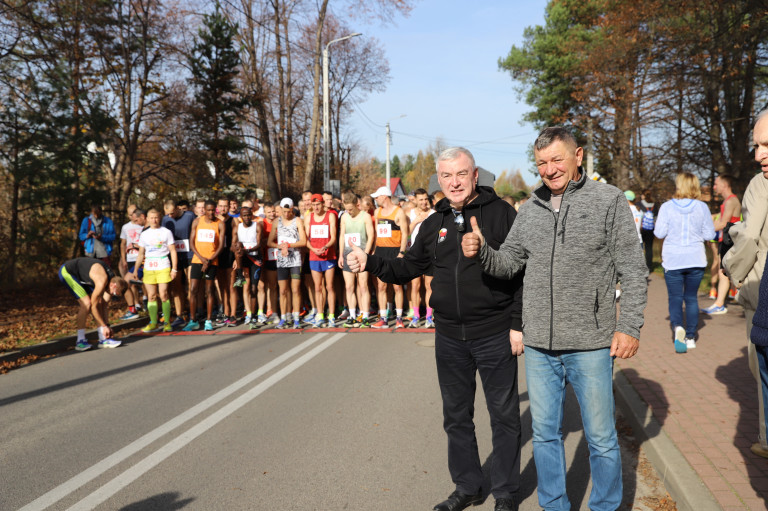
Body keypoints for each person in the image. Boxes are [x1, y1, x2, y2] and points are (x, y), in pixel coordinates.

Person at [462, 127, 647, 511]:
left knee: (600, 437)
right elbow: (509, 262)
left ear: (578, 156)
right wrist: (482, 250)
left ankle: (605, 506)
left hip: (591, 343)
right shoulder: (530, 209)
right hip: (540, 346)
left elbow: (632, 268)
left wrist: (628, 326)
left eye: (556, 160)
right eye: (542, 163)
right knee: (546, 435)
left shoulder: (608, 201)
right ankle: (554, 505)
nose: (549, 170)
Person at [347, 147, 523, 511]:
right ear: (438, 180)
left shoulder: (502, 215)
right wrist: (370, 262)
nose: (454, 182)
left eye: (461, 174)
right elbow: (407, 268)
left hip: (494, 333)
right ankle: (469, 486)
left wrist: (517, 326)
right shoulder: (433, 223)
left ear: (475, 175)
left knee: (503, 416)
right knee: (456, 417)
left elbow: (523, 273)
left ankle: (505, 492)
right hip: (449, 337)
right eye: (446, 176)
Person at [722, 109, 768, 459]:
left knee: (763, 372)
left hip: (761, 292)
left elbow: (749, 237)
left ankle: (766, 439)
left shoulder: (760, 184)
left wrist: (729, 266)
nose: (758, 155)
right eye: (756, 146)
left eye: (766, 145)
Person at [654, 173, 716, 352]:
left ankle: (677, 327)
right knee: (691, 298)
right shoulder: (702, 207)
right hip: (695, 258)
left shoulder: (666, 207)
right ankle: (690, 336)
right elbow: (709, 235)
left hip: (673, 259)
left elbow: (659, 233)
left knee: (675, 297)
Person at [58, 257, 127, 351]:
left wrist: (107, 326)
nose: (112, 295)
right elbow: (93, 307)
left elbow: (104, 305)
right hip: (68, 272)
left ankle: (103, 339)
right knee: (87, 304)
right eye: (114, 294)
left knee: (100, 302)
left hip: (84, 275)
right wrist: (103, 326)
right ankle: (80, 341)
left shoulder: (112, 281)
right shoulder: (102, 280)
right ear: (113, 285)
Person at [127, 208, 179, 333]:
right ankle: (153, 322)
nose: (154, 220)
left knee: (164, 295)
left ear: (159, 218)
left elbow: (172, 251)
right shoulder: (144, 234)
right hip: (149, 266)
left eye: (156, 217)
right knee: (151, 296)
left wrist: (174, 269)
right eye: (151, 218)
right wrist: (135, 270)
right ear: (147, 219)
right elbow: (141, 254)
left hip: (163, 265)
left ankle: (167, 322)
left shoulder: (166, 232)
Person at [702, 174, 742, 315]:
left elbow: (724, 223)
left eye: (716, 184)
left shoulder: (731, 201)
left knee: (726, 272)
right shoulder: (727, 202)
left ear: (724, 185)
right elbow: (719, 217)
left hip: (730, 239)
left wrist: (702, 230)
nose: (714, 187)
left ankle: (722, 303)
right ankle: (720, 302)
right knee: (724, 272)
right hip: (726, 239)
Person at [370, 185, 409, 328]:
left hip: (394, 251)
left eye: (377, 197)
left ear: (384, 197)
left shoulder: (399, 212)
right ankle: (383, 318)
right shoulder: (377, 212)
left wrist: (401, 252)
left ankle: (399, 318)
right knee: (381, 286)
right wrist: (374, 250)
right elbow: (376, 233)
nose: (376, 199)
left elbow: (405, 233)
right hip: (381, 251)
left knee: (397, 286)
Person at [185, 200, 225, 331]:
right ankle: (193, 320)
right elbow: (191, 243)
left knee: (209, 290)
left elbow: (220, 246)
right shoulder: (197, 222)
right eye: (208, 210)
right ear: (204, 210)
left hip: (212, 261)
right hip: (198, 260)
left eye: (213, 210)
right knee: (193, 290)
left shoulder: (220, 224)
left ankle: (208, 320)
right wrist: (202, 259)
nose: (211, 212)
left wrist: (209, 260)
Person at [268, 198, 306, 329]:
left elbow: (303, 241)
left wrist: (289, 245)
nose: (286, 214)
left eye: (288, 211)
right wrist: (280, 246)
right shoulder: (277, 222)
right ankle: (283, 318)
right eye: (283, 212)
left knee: (295, 289)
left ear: (292, 209)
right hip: (282, 260)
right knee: (283, 290)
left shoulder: (297, 221)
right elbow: (269, 242)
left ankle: (296, 318)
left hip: (295, 259)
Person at [338, 191, 375, 327]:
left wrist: (365, 253)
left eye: (351, 209)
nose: (349, 212)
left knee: (363, 286)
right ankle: (352, 315)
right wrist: (341, 255)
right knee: (349, 286)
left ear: (356, 205)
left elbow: (371, 236)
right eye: (346, 209)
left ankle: (365, 316)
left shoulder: (365, 217)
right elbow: (342, 236)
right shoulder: (344, 217)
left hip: (362, 254)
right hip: (348, 254)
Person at [305, 193, 338, 327]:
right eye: (313, 205)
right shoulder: (308, 217)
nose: (316, 207)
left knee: (329, 286)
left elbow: (334, 237)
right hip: (314, 256)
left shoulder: (330, 215)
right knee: (317, 287)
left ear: (323, 204)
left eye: (318, 204)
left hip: (328, 255)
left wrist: (325, 246)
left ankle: (331, 315)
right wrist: (313, 249)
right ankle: (320, 314)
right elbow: (306, 239)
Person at [163, 199, 196, 328]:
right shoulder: (165, 220)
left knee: (190, 283)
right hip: (175, 255)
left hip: (189, 254)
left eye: (172, 213)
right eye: (167, 214)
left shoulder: (189, 216)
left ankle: (194, 312)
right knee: (177, 286)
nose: (170, 216)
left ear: (177, 208)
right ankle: (179, 314)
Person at [407, 188, 436, 328]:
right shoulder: (411, 213)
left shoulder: (434, 214)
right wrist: (415, 222)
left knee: (429, 286)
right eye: (421, 200)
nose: (424, 202)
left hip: (430, 254)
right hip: (415, 254)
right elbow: (405, 234)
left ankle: (429, 317)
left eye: (426, 199)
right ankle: (416, 316)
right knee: (415, 286)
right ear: (415, 201)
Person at [232, 206, 262, 325]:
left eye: (248, 215)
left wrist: (247, 251)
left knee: (254, 288)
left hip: (254, 257)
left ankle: (254, 316)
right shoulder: (237, 227)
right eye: (244, 215)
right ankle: (239, 276)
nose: (247, 217)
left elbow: (259, 244)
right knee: (246, 287)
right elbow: (232, 245)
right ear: (240, 216)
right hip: (243, 258)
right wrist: (237, 252)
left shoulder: (257, 225)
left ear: (252, 215)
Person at [118, 208, 146, 320]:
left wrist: (135, 246)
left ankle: (160, 314)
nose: (136, 223)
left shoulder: (147, 230)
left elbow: (151, 246)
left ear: (143, 217)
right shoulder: (129, 227)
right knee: (126, 282)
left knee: (151, 288)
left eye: (137, 220)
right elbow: (123, 244)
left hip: (149, 262)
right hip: (138, 261)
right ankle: (134, 309)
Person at [638, 190, 658, 271]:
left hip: (641, 229)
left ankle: (640, 267)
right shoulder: (654, 205)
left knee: (640, 247)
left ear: (643, 195)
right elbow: (656, 218)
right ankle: (649, 267)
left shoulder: (639, 204)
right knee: (649, 248)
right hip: (651, 229)